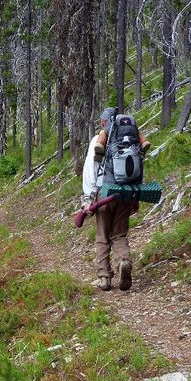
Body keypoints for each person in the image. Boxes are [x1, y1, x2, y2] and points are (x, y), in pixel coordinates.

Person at [81, 107, 138, 291]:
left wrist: (88, 198)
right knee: (119, 234)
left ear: (103, 123)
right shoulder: (129, 139)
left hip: (104, 193)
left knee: (102, 236)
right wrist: (134, 198)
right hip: (125, 193)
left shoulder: (98, 140)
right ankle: (123, 261)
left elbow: (91, 170)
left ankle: (104, 277)